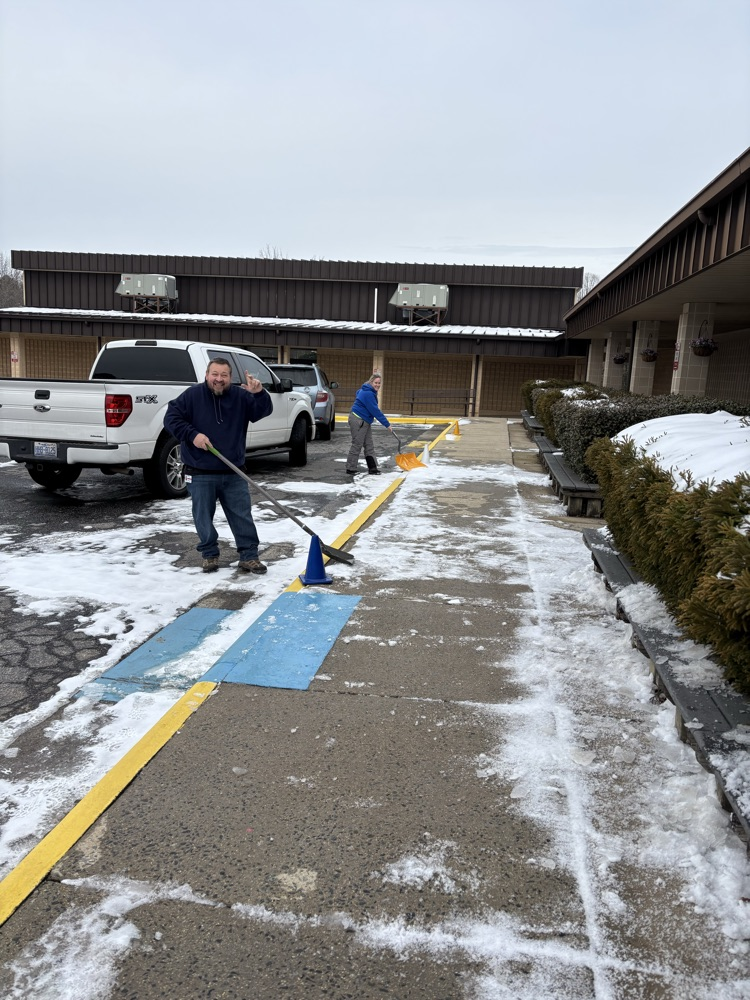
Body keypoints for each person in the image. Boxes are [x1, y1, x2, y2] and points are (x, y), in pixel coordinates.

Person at [164, 358, 273, 574]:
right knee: (203, 516)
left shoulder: (241, 396)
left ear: (230, 377)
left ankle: (249, 556)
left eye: (224, 375)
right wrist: (192, 435)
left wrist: (259, 393)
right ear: (207, 375)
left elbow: (262, 411)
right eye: (214, 374)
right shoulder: (192, 396)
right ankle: (209, 555)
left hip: (233, 470)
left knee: (242, 516)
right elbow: (171, 419)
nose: (219, 379)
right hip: (200, 471)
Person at [346, 371, 396, 475]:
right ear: (371, 382)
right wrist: (387, 424)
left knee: (369, 444)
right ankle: (350, 468)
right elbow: (375, 411)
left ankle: (373, 468)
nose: (377, 385)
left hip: (365, 421)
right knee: (357, 444)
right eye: (375, 383)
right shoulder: (368, 393)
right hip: (358, 420)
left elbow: (358, 393)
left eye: (379, 383)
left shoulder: (367, 390)